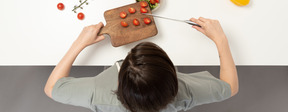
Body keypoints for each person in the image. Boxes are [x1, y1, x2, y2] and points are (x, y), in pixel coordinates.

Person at [44, 17, 238, 112]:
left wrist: (79, 43)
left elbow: (51, 88)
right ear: (173, 77)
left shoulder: (98, 94)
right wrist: (221, 39)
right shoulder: (185, 93)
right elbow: (230, 87)